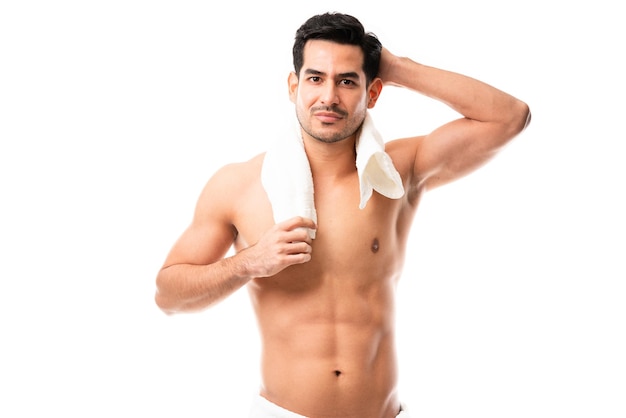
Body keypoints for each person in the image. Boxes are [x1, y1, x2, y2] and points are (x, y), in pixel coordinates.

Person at [154, 11, 530, 418]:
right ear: (293, 85)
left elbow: (510, 117)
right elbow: (168, 294)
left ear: (373, 93)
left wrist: (396, 66)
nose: (328, 97)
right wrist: (248, 262)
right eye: (315, 78)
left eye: (347, 80)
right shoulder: (240, 186)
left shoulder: (398, 172)